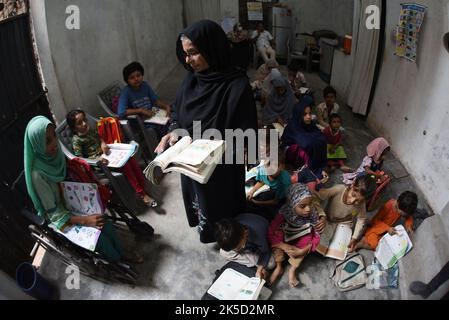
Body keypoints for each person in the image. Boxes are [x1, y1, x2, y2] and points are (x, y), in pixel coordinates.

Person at [155, 20, 258, 244]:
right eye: (185, 54)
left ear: (212, 48)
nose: (188, 60)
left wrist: (208, 143)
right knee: (200, 200)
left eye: (193, 53)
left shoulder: (236, 86)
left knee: (221, 204)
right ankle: (207, 229)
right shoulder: (191, 81)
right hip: (192, 165)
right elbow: (178, 112)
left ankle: (228, 236)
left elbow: (245, 134)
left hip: (221, 166)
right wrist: (173, 132)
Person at [24, 116, 142, 263]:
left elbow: (70, 180)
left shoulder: (56, 155)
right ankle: (118, 260)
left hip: (72, 202)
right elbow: (54, 213)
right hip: (60, 217)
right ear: (37, 145)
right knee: (100, 239)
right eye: (47, 141)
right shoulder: (38, 176)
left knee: (106, 224)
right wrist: (86, 220)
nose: (55, 142)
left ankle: (120, 253)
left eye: (54, 135)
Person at [67, 110, 158, 207]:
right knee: (125, 166)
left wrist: (103, 143)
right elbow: (80, 160)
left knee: (131, 159)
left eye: (84, 120)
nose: (84, 124)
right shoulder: (76, 140)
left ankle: (143, 187)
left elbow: (100, 138)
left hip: (107, 155)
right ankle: (142, 194)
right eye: (79, 123)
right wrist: (97, 160)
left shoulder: (89, 130)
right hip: (99, 164)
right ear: (74, 128)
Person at [268, 184, 326, 288]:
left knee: (308, 240)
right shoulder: (284, 213)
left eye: (309, 204)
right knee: (276, 237)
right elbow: (271, 231)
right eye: (302, 206)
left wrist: (304, 250)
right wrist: (282, 245)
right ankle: (279, 266)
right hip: (286, 237)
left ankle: (292, 269)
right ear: (292, 204)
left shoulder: (313, 214)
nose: (308, 209)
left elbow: (317, 235)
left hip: (300, 240)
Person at [315, 175, 377, 253]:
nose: (352, 201)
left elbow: (361, 219)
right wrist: (322, 215)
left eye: (358, 200)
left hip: (344, 224)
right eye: (353, 195)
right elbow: (318, 196)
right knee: (318, 242)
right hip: (327, 219)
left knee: (345, 249)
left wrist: (354, 238)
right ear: (352, 184)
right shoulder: (339, 189)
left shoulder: (361, 204)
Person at [282, 96, 329, 189]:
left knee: (319, 141)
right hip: (291, 150)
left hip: (304, 148)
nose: (308, 117)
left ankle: (316, 169)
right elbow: (305, 143)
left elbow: (321, 138)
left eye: (309, 113)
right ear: (299, 114)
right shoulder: (294, 126)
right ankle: (311, 172)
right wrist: (315, 141)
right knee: (310, 145)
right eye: (304, 114)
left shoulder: (310, 124)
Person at [118, 61, 172, 140]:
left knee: (171, 117)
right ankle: (161, 145)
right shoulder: (126, 92)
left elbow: (155, 100)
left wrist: (166, 106)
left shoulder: (145, 86)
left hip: (152, 115)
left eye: (138, 75)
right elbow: (121, 112)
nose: (136, 79)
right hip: (139, 121)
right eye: (132, 78)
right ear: (127, 80)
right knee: (157, 129)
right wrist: (141, 111)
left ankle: (169, 141)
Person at [215, 213, 275, 280]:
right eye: (236, 248)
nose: (240, 249)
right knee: (223, 253)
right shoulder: (233, 230)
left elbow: (266, 252)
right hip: (248, 242)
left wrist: (259, 269)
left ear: (245, 233)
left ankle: (255, 264)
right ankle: (255, 263)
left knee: (271, 264)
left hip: (261, 243)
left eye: (240, 246)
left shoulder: (258, 235)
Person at [352, 191, 418, 251]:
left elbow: (408, 217)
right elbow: (376, 220)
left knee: (384, 245)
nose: (403, 215)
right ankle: (361, 243)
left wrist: (409, 225)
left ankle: (364, 240)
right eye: (402, 214)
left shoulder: (403, 208)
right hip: (377, 227)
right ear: (398, 203)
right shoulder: (388, 206)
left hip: (386, 230)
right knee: (375, 244)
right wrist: (387, 228)